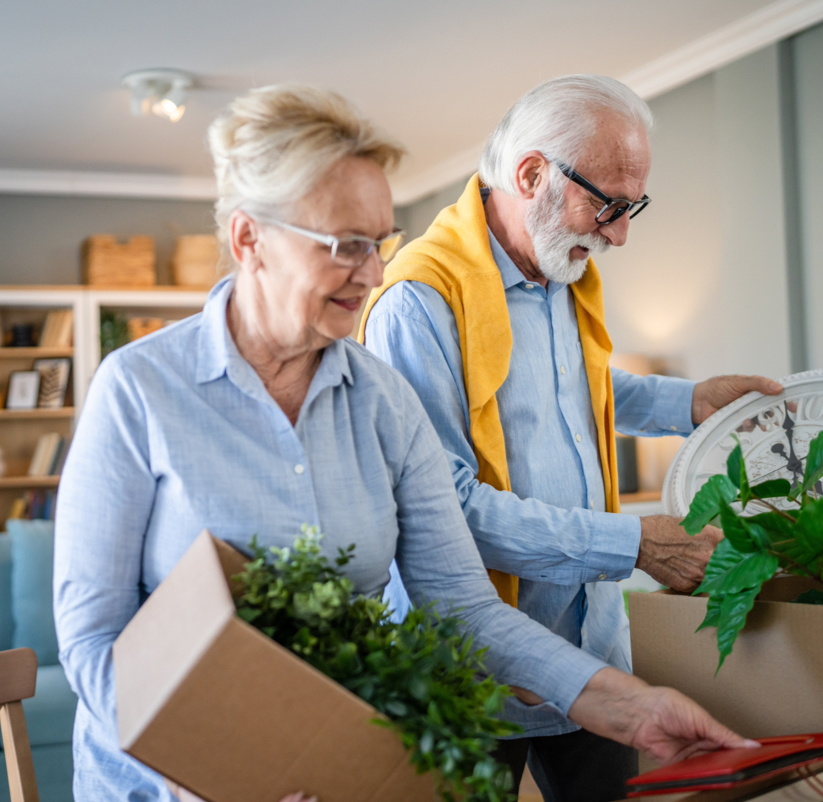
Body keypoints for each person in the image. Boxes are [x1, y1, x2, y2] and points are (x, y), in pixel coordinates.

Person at [54, 84, 753, 802]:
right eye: (346, 246)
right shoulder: (138, 388)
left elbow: (463, 605)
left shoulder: (382, 403)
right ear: (247, 239)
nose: (374, 273)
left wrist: (630, 704)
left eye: (381, 242)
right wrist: (237, 773)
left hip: (332, 765)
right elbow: (92, 644)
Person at [361, 74, 782, 802]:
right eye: (609, 206)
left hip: (589, 651)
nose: (619, 233)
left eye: (632, 207)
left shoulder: (562, 270)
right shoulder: (418, 302)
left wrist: (688, 401)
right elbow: (447, 510)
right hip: (472, 664)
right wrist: (635, 542)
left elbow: (572, 395)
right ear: (531, 175)